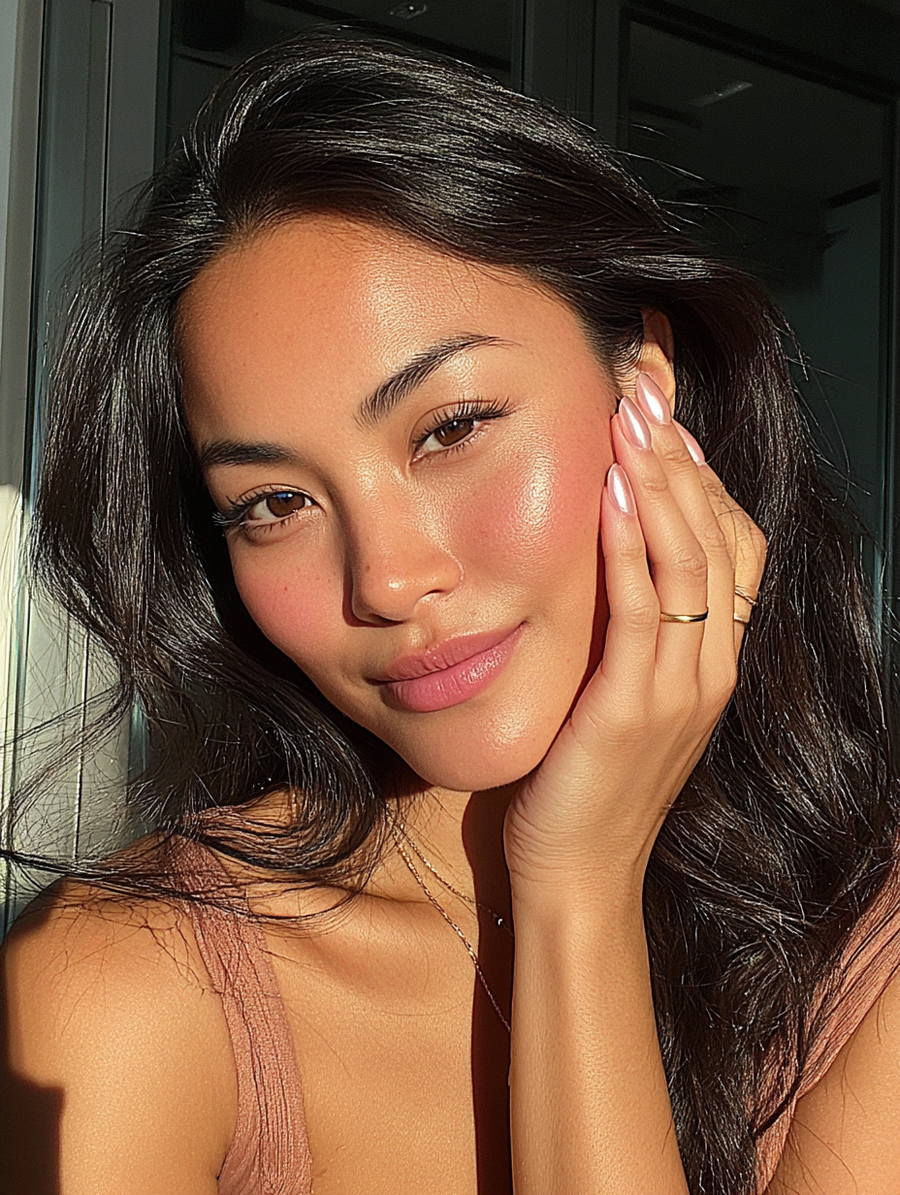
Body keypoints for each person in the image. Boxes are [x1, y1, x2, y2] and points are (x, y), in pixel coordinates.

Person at [1, 30, 898, 1195]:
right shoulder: (127, 992)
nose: (384, 579)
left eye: (452, 428)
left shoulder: (861, 958)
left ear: (644, 388)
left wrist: (578, 887)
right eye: (273, 502)